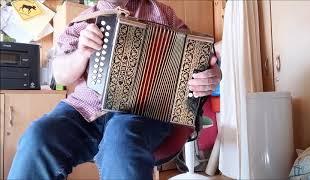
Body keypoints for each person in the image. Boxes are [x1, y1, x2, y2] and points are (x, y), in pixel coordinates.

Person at [8, 0, 222, 179]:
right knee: (39, 136)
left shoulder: (163, 14)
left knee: (121, 138)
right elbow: (61, 74)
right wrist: (81, 54)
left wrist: (208, 75)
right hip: (85, 111)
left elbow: (195, 59)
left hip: (142, 111)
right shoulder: (83, 19)